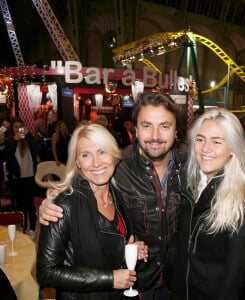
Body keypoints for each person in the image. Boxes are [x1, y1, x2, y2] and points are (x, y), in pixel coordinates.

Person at [39, 92, 188, 300]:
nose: (155, 135)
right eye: (146, 125)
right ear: (134, 129)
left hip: (176, 280)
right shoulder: (121, 166)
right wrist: (50, 202)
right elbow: (48, 270)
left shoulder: (192, 164)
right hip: (138, 284)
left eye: (164, 126)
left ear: (176, 130)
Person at [36, 123, 148, 300]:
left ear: (114, 155)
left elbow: (105, 250)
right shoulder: (63, 204)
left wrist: (129, 251)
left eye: (102, 152)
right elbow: (46, 272)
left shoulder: (117, 194)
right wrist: (109, 279)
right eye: (86, 155)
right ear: (78, 162)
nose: (96, 163)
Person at [172, 108, 245, 300]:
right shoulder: (187, 183)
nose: (205, 148)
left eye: (217, 142)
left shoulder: (242, 198)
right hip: (181, 289)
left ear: (233, 148)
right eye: (200, 139)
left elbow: (236, 274)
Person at [3, 117, 41, 237]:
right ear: (12, 129)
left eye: (20, 126)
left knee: (30, 205)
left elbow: (37, 150)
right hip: (16, 178)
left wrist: (28, 135)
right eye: (15, 127)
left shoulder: (29, 140)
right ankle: (24, 228)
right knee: (21, 206)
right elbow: (6, 156)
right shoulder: (9, 142)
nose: (18, 129)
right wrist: (14, 140)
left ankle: (33, 229)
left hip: (29, 176)